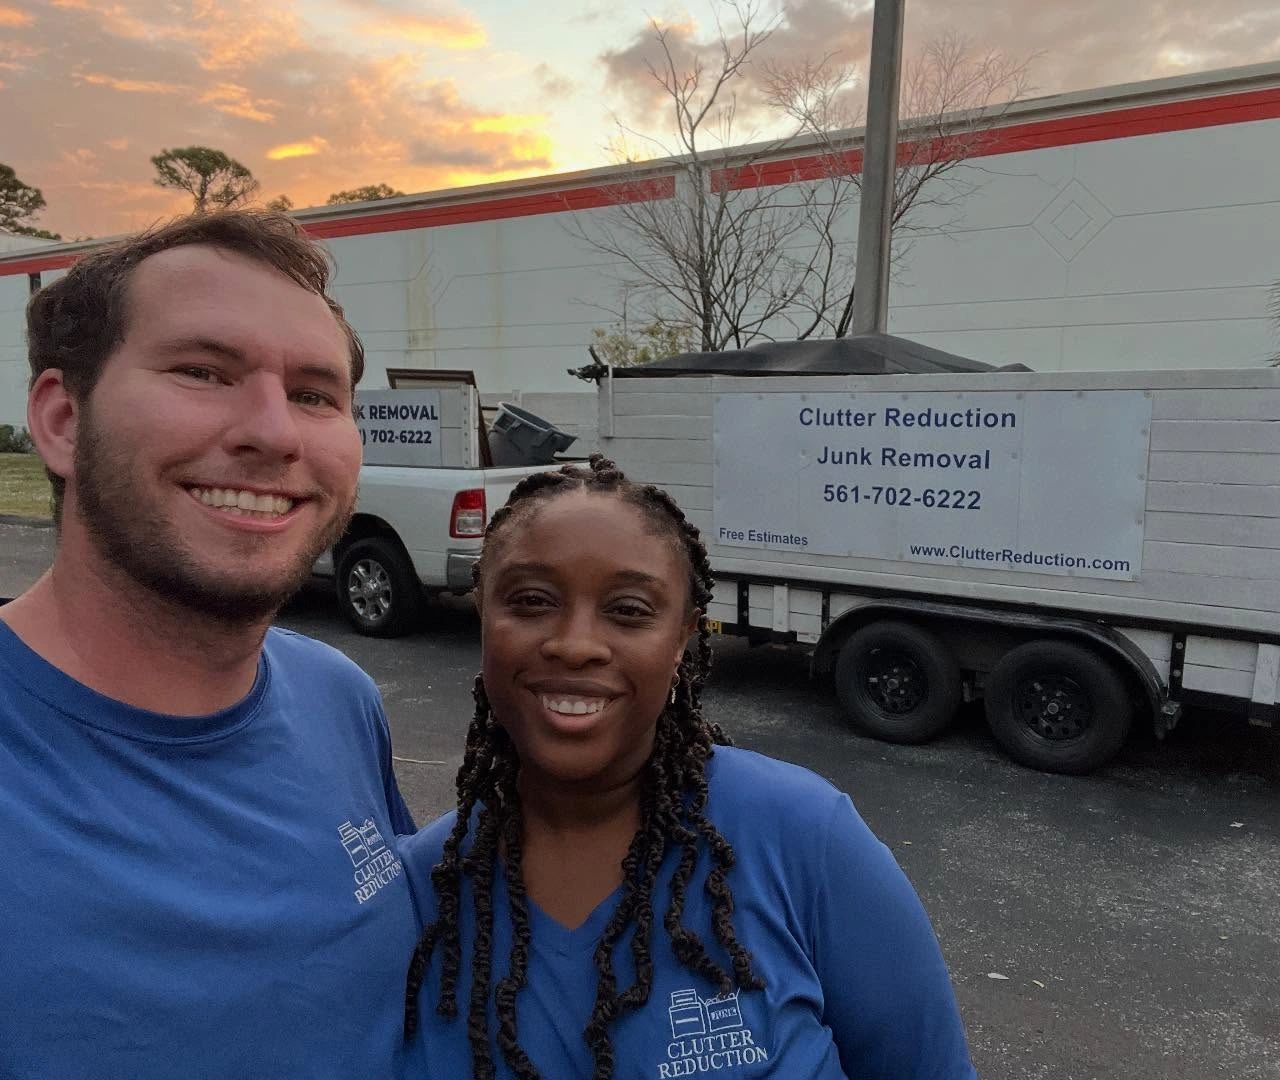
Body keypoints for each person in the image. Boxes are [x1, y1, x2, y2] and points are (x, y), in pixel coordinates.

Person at [0, 211, 418, 1078]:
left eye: (314, 394)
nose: (274, 431)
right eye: (203, 371)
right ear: (63, 419)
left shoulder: (339, 698)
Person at [401, 455, 978, 1079]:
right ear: (484, 615)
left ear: (682, 638)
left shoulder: (805, 836)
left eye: (628, 610)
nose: (574, 643)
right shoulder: (423, 888)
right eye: (532, 600)